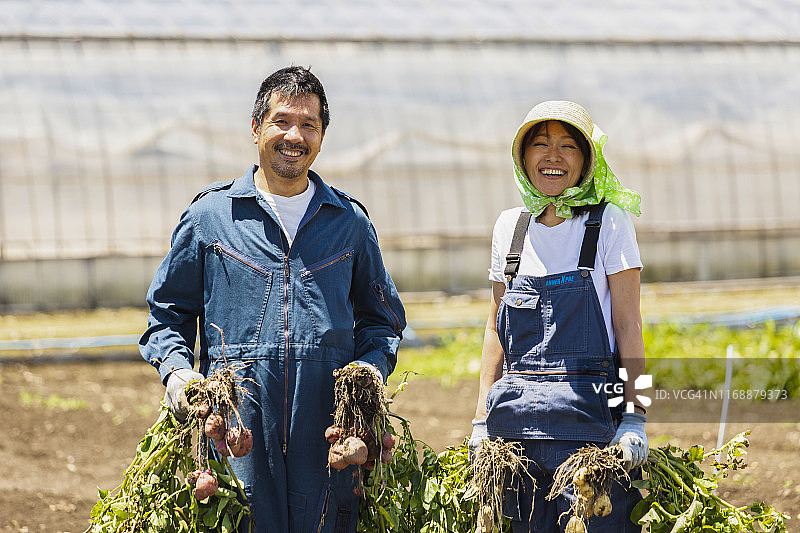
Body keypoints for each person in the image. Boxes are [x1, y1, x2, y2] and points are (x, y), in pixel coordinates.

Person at [139, 66, 406, 533]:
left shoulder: (349, 222)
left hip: (327, 429)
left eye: (309, 125)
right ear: (256, 127)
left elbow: (381, 320)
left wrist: (369, 371)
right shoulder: (211, 218)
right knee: (240, 520)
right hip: (235, 424)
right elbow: (168, 315)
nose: (294, 135)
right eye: (282, 121)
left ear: (322, 137)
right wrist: (180, 375)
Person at [469, 100, 647, 532]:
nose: (553, 156)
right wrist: (479, 421)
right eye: (541, 144)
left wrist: (634, 416)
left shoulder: (607, 222)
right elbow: (495, 329)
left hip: (589, 431)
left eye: (568, 146)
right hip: (514, 433)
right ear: (523, 156)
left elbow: (629, 326)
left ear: (586, 160)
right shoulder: (510, 228)